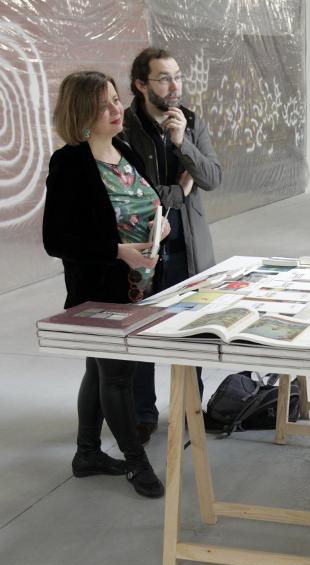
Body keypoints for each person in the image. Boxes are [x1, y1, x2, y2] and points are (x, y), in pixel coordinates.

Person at [42, 71, 169, 498]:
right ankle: (137, 465)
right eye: (104, 105)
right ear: (82, 112)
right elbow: (56, 240)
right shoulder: (71, 163)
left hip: (140, 285)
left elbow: (148, 203)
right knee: (117, 377)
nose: (117, 110)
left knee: (98, 371)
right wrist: (118, 251)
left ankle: (86, 453)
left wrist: (160, 226)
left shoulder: (124, 150)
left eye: (116, 100)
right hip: (99, 290)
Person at [123, 48, 223, 444]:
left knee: (191, 332)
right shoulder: (125, 127)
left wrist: (183, 142)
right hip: (142, 248)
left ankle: (189, 408)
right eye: (164, 78)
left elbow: (212, 177)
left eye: (178, 76)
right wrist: (178, 189)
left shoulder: (192, 122)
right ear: (141, 85)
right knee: (141, 333)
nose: (175, 85)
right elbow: (139, 194)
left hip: (188, 247)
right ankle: (143, 414)